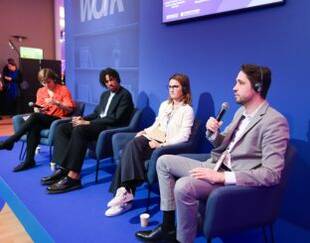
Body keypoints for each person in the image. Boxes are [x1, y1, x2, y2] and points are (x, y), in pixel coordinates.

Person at [135, 64, 290, 243]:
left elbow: (272, 175)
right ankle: (168, 227)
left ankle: (182, 240)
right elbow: (226, 144)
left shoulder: (275, 122)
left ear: (258, 87)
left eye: (240, 83)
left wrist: (222, 178)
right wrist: (215, 134)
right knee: (163, 161)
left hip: (230, 177)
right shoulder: (241, 112)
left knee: (184, 186)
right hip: (214, 163)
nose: (234, 87)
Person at [105, 73, 195, 217]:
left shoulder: (187, 110)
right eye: (170, 86)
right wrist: (144, 131)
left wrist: (162, 144)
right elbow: (156, 124)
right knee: (133, 143)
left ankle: (124, 195)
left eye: (175, 86)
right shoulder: (164, 105)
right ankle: (124, 192)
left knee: (131, 148)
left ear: (184, 88)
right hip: (153, 138)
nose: (171, 90)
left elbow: (184, 137)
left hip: (167, 146)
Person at [41, 67, 134, 194]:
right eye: (106, 82)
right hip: (98, 124)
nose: (109, 83)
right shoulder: (105, 95)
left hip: (110, 128)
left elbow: (114, 118)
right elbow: (97, 113)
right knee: (63, 128)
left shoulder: (125, 95)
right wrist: (82, 118)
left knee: (80, 130)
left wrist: (88, 122)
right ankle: (64, 169)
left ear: (117, 79)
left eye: (111, 80)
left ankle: (73, 177)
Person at [0, 68, 75, 172]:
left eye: (48, 82)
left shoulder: (63, 89)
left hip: (58, 120)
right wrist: (38, 108)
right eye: (43, 82)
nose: (46, 85)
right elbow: (38, 107)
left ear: (54, 79)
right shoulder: (41, 91)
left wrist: (57, 103)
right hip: (44, 118)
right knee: (33, 126)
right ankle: (29, 160)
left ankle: (11, 140)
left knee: (35, 117)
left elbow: (70, 108)